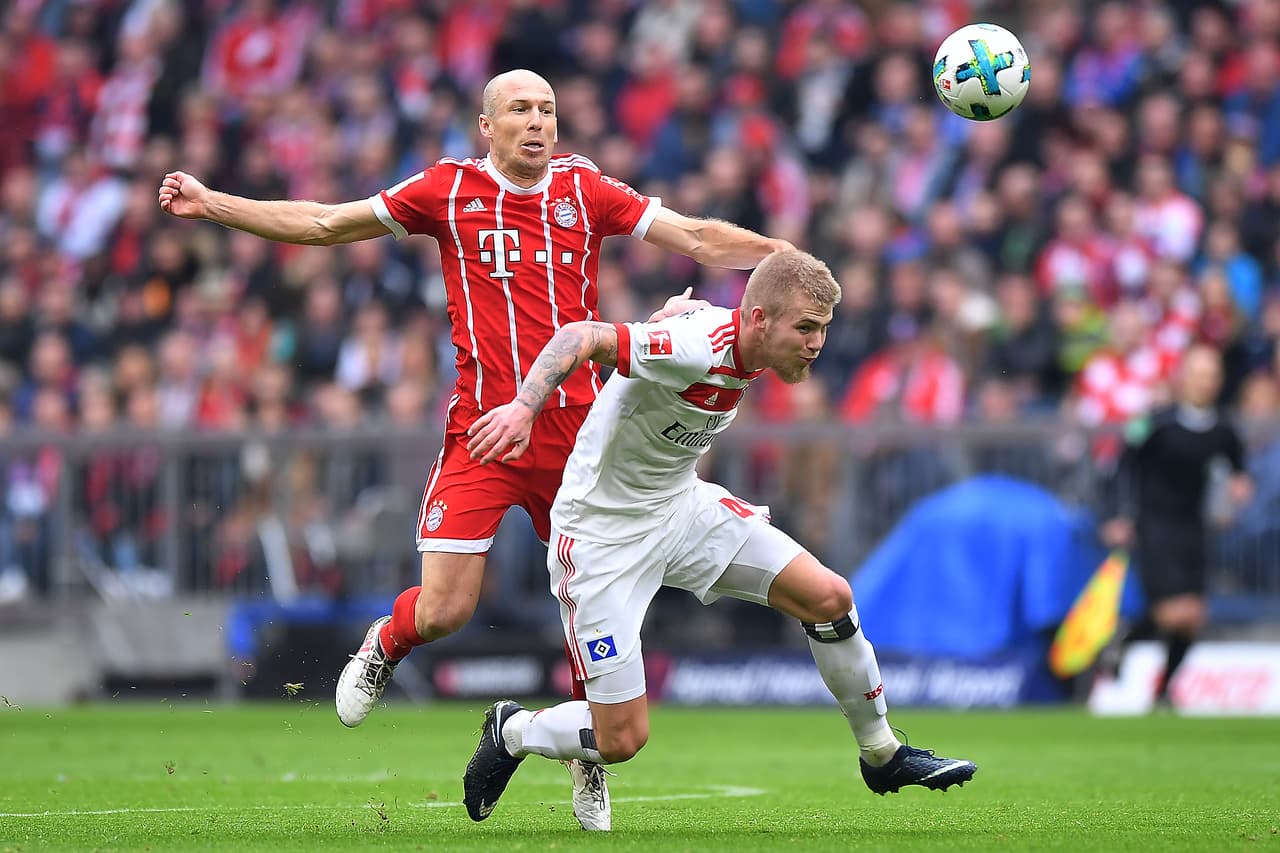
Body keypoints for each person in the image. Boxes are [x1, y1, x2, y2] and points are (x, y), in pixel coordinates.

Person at [157, 68, 790, 830]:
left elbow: (694, 235)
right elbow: (325, 223)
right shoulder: (446, 189)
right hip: (485, 431)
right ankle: (387, 642)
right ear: (486, 126)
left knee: (595, 601)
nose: (538, 121)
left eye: (547, 109)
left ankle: (585, 754)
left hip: (579, 439)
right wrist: (213, 203)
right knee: (446, 608)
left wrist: (780, 256)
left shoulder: (585, 189)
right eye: (520, 109)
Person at [460, 250, 977, 826]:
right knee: (620, 739)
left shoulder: (738, 337)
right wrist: (523, 408)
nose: (816, 344)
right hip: (602, 536)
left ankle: (882, 754)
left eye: (823, 329)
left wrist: (676, 313)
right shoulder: (695, 346)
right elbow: (579, 335)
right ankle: (513, 730)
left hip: (681, 510)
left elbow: (702, 319)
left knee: (830, 597)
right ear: (759, 319)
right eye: (805, 328)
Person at [1100, 344, 1253, 707]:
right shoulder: (1155, 422)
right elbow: (1121, 466)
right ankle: (1126, 645)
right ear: (1183, 378)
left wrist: (1237, 489)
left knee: (1192, 617)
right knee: (1174, 611)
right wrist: (1119, 514)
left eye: (1212, 376)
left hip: (1193, 527)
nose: (1206, 382)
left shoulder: (1223, 430)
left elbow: (1237, 469)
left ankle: (1160, 686)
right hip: (1155, 525)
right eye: (1199, 374)